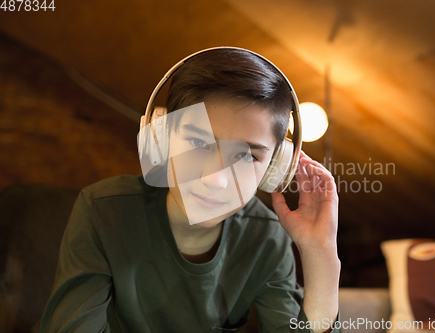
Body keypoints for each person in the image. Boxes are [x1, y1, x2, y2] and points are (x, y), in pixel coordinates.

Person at [39, 48, 341, 333]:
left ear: (276, 168)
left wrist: (322, 255)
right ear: (160, 137)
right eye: (198, 143)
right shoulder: (102, 211)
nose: (216, 180)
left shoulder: (267, 239)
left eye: (246, 156)